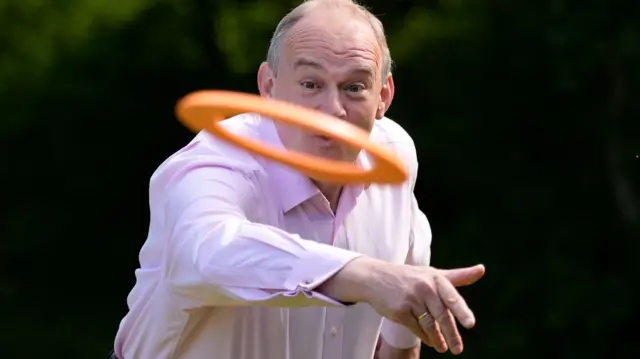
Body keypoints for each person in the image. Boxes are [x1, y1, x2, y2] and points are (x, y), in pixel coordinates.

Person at [110, 0, 485, 358]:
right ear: (268, 87)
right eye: (310, 84)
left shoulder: (393, 153)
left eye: (354, 87)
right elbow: (205, 252)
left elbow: (409, 244)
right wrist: (365, 275)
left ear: (383, 95)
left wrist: (402, 340)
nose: (332, 111)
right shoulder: (213, 164)